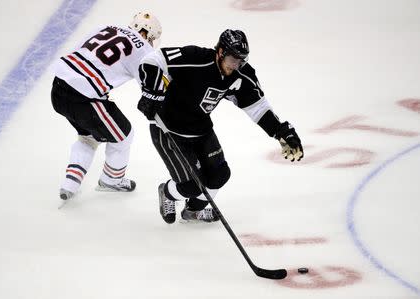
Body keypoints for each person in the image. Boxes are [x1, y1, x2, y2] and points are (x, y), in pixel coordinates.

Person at [137, 29, 304, 223]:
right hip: (167, 128)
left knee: (219, 175)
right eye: (233, 59)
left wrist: (281, 131)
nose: (236, 65)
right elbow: (152, 60)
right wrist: (151, 93)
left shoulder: (240, 74)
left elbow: (257, 107)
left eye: (241, 60)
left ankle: (193, 211)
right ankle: (167, 192)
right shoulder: (196, 58)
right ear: (220, 52)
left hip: (201, 129)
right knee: (191, 186)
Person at [51, 12, 162, 203]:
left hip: (58, 87)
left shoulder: (107, 27)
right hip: (84, 98)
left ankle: (71, 182)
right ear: (149, 34)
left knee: (88, 136)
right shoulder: (143, 48)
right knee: (124, 136)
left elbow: (81, 54)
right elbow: (150, 84)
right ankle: (112, 179)